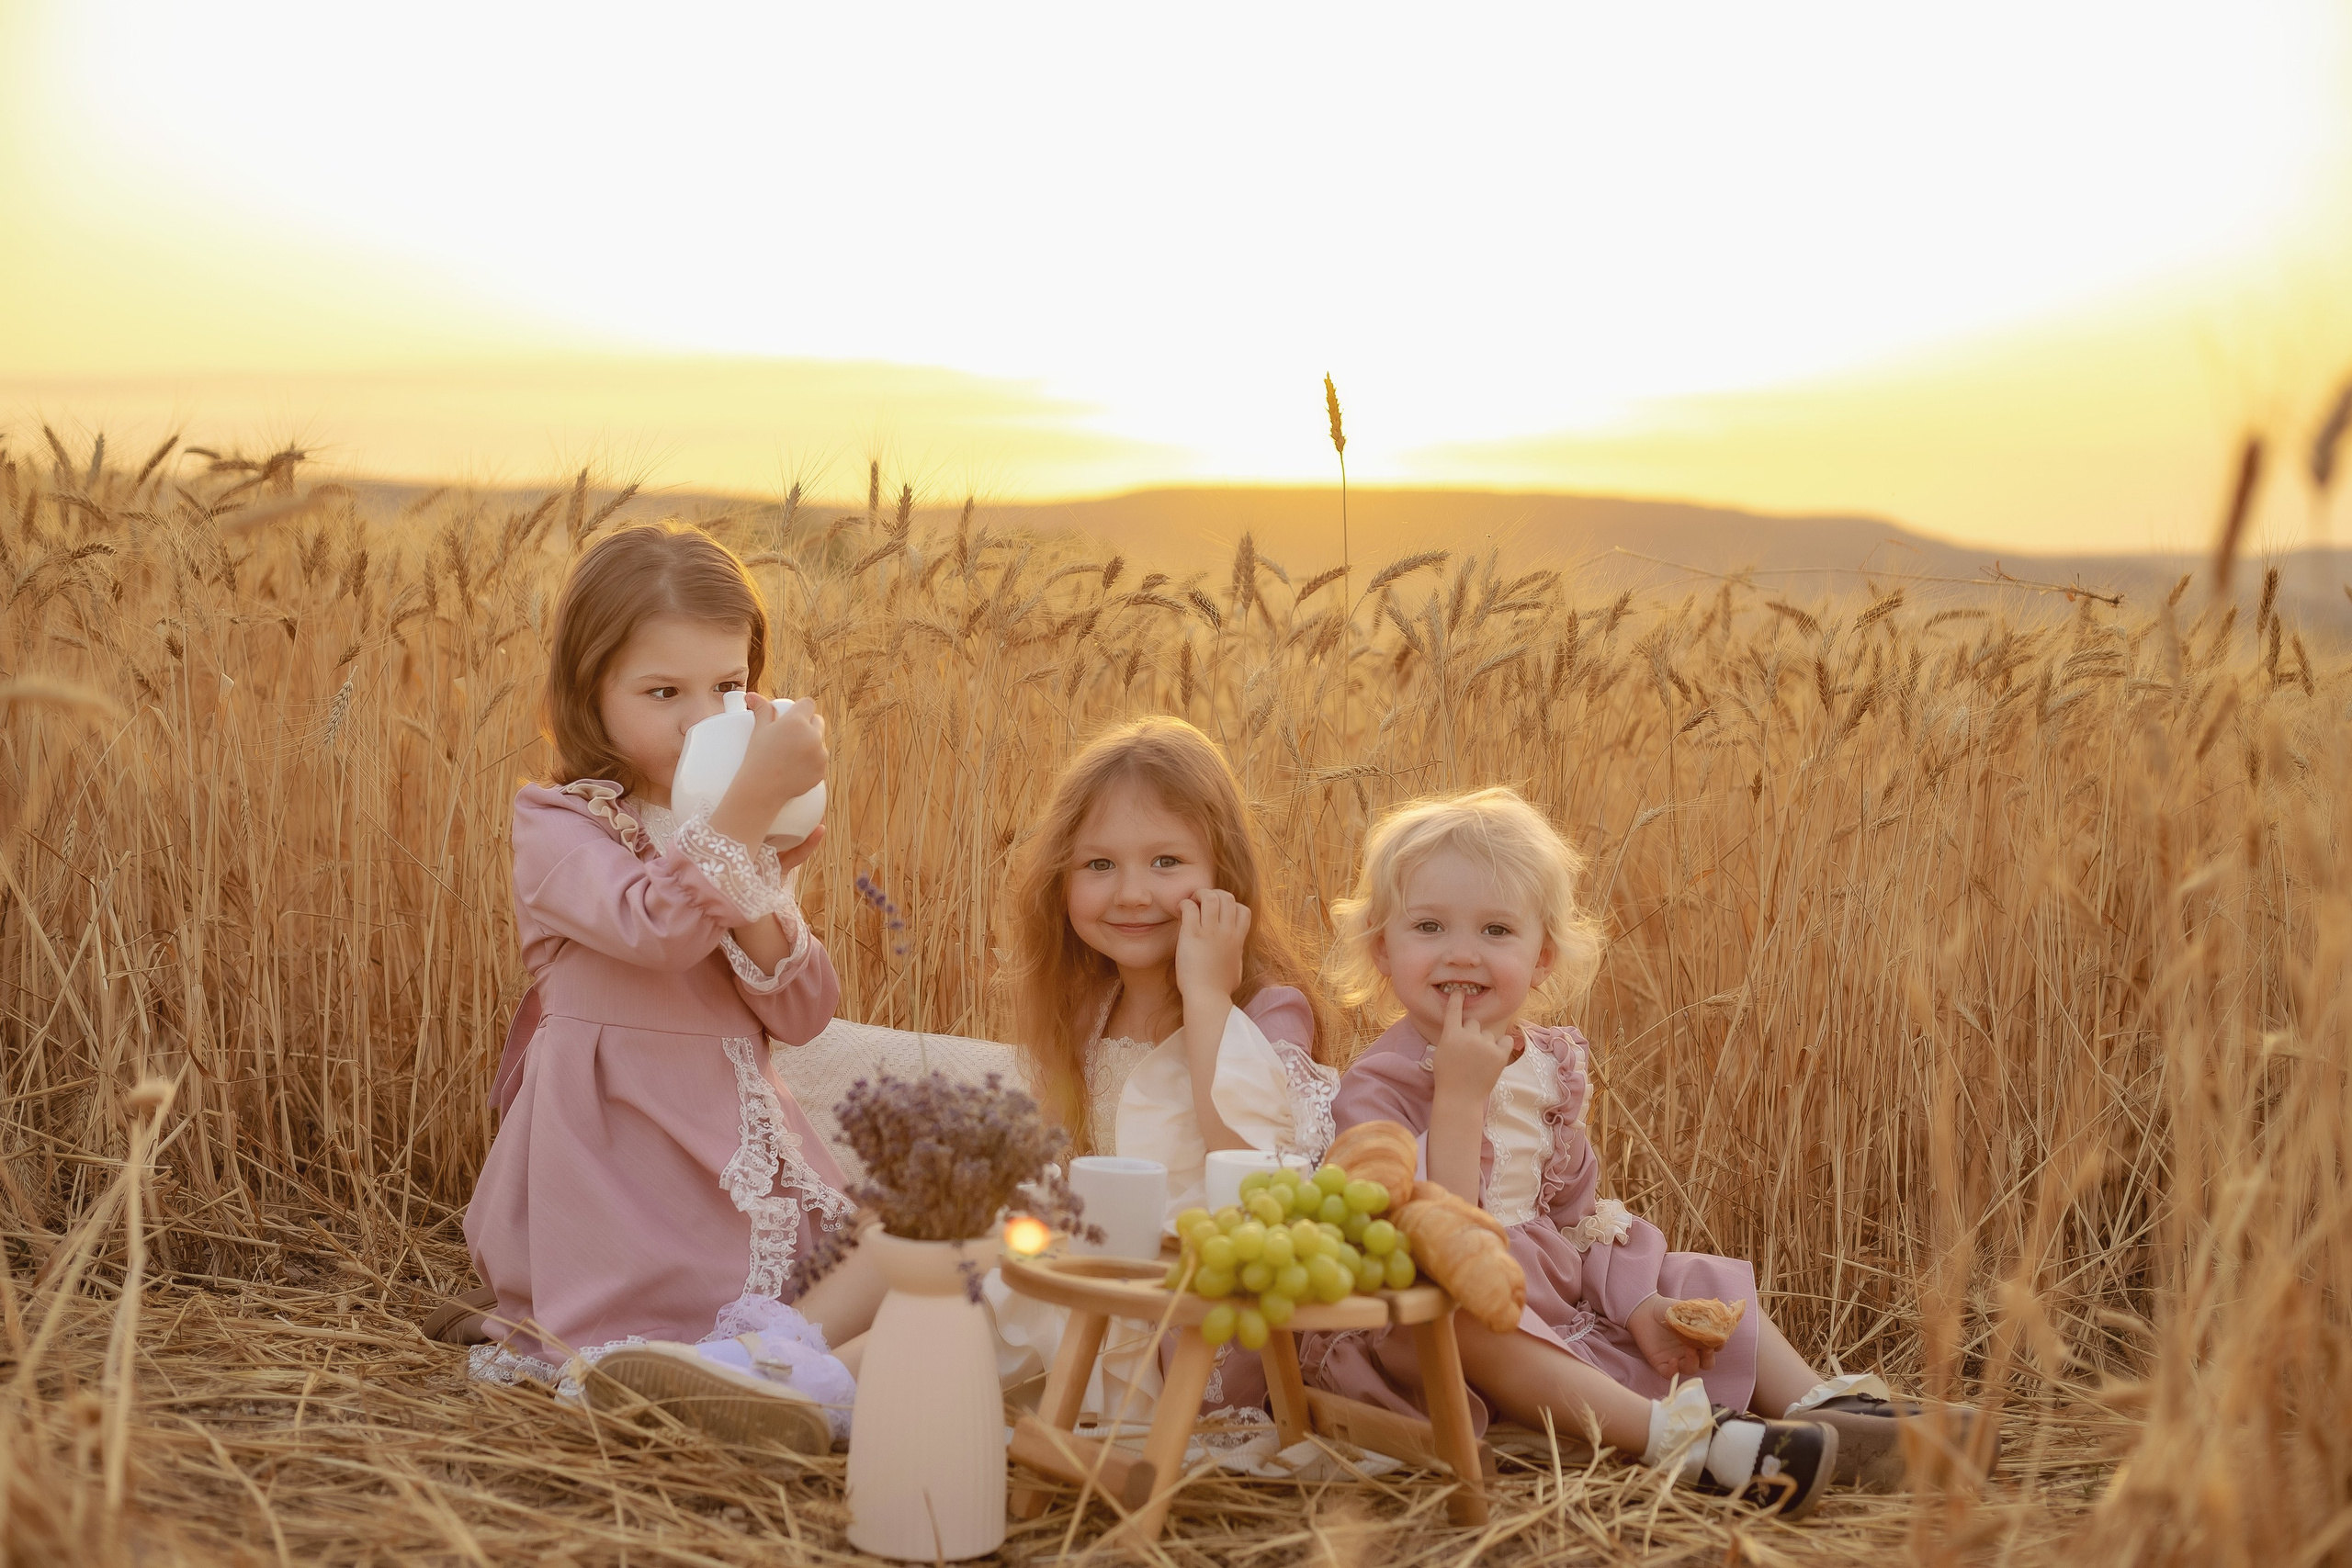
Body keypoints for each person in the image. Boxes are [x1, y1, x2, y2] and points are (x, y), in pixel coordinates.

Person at [1305, 788, 1988, 1517]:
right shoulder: (1376, 1085)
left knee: (1694, 1278)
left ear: (1542, 956)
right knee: (1476, 1324)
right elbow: (1439, 1236)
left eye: (1497, 929)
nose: (1462, 952)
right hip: (1440, 1313)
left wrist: (1640, 1302)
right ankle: (1689, 1444)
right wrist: (1460, 1098)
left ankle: (1826, 1410)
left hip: (1549, 1280)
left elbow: (1574, 1214)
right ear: (1383, 947)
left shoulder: (1549, 1063)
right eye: (1430, 925)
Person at [452, 523, 879, 1452]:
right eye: (662, 692)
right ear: (587, 696)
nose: (699, 717)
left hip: (728, 1138)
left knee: (895, 1263)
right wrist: (744, 811)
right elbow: (656, 927)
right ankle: (696, 1376)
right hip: (617, 1156)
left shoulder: (737, 830)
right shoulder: (558, 827)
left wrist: (762, 858)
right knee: (645, 1310)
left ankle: (774, 1376)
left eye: (727, 688)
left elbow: (802, 1010)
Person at [991, 716, 1339, 1419]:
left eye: (1166, 863)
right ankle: (783, 1357)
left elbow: (1250, 1167)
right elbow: (1055, 1160)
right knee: (920, 1237)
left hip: (1182, 1316)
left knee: (967, 1296)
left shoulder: (1268, 1009)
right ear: (1061, 880)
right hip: (1101, 1271)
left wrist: (1207, 995)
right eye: (1099, 865)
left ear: (1224, 876)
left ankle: (821, 1389)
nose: (1131, 893)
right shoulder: (1088, 1007)